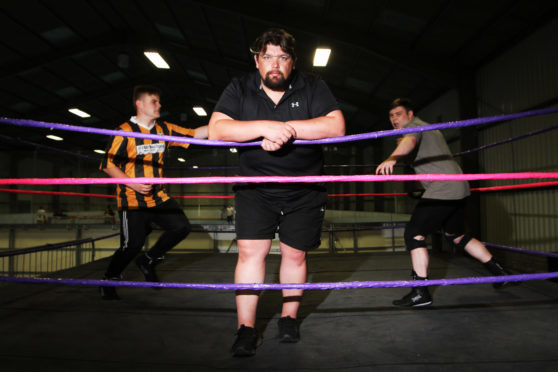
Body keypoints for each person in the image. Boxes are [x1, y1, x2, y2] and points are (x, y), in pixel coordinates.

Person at [208, 28, 345, 357]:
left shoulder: (312, 85)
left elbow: (336, 126)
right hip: (255, 189)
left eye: (282, 58)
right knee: (249, 255)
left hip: (304, 189)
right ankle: (246, 328)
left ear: (293, 61)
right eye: (268, 56)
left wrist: (289, 129)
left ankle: (288, 318)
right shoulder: (239, 87)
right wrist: (262, 127)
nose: (275, 64)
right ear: (257, 61)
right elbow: (217, 130)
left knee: (295, 255)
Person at [376, 98, 511, 307]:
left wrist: (392, 158)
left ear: (410, 115)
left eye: (399, 114)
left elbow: (409, 142)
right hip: (459, 187)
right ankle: (499, 273)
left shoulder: (414, 127)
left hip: (444, 188)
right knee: (456, 235)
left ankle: (421, 292)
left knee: (413, 234)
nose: (394, 119)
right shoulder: (428, 128)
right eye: (391, 116)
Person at [99, 84, 208, 300]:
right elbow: (107, 165)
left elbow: (195, 134)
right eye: (154, 101)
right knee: (131, 245)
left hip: (159, 197)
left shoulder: (163, 129)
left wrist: (222, 124)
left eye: (158, 101)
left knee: (182, 227)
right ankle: (108, 280)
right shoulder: (124, 132)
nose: (159, 105)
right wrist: (133, 184)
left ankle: (148, 259)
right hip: (132, 199)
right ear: (139, 104)